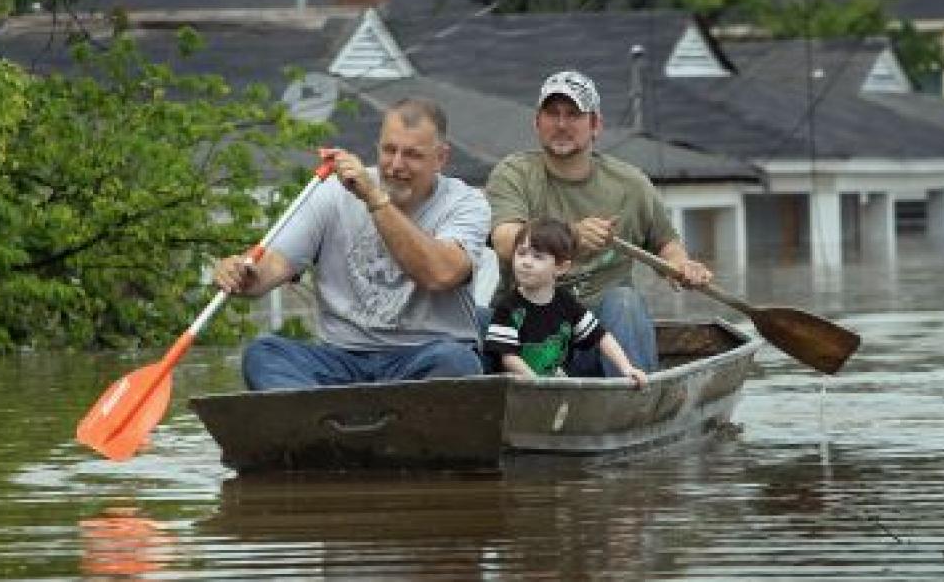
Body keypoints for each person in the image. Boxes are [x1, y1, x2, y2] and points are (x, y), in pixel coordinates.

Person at [213, 97, 489, 390]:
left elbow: (440, 274)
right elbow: (276, 262)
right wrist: (245, 273)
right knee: (263, 353)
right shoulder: (333, 193)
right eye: (389, 150)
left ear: (441, 158)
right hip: (341, 358)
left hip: (423, 355)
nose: (396, 165)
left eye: (412, 155)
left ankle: (333, 416)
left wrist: (375, 200)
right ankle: (322, 421)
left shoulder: (466, 203)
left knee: (457, 363)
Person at [484, 70, 713, 377]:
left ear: (595, 126)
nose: (562, 125)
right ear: (537, 123)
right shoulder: (514, 173)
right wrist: (571, 236)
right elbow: (503, 240)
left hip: (597, 342)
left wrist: (683, 266)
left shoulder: (631, 185)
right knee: (472, 319)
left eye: (574, 115)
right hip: (524, 338)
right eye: (552, 114)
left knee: (625, 301)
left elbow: (666, 244)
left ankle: (632, 404)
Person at [484, 217, 647, 387]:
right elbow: (508, 357)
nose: (526, 262)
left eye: (538, 257)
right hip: (517, 393)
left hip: (556, 388)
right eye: (521, 253)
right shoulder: (508, 307)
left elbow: (601, 337)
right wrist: (536, 383)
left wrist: (627, 368)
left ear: (561, 268)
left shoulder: (566, 303)